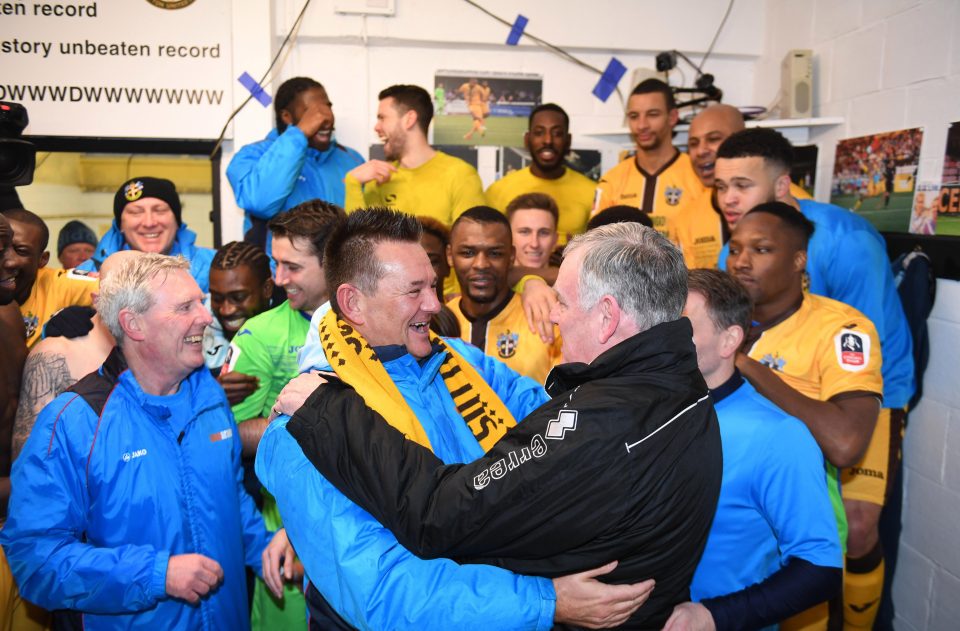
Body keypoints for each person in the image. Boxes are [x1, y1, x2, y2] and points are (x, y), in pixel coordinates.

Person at [258, 208, 656, 630]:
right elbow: (383, 593)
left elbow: (558, 423)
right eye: (414, 291)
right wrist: (544, 601)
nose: (434, 304)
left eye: (433, 285)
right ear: (353, 302)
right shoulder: (305, 428)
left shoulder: (456, 359)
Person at [1, 253, 287, 630]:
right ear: (133, 324)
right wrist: (155, 574)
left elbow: (228, 499)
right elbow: (35, 560)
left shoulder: (210, 399)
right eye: (185, 307)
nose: (205, 317)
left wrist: (266, 546)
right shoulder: (75, 421)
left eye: (200, 302)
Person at [714, 129, 914, 629]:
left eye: (742, 184)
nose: (729, 199)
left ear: (781, 186)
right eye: (721, 188)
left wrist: (748, 364)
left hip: (862, 391)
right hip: (781, 428)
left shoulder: (846, 242)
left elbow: (858, 352)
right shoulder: (733, 266)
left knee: (856, 529)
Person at [728, 203, 885, 629]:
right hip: (731, 519)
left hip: (798, 519)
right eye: (735, 247)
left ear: (799, 260)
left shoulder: (842, 329)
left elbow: (846, 443)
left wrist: (745, 365)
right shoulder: (713, 319)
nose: (741, 260)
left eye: (760, 250)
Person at [663, 269, 842, 631]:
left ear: (730, 341)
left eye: (681, 328)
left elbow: (820, 568)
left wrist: (714, 615)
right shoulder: (648, 409)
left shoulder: (778, 437)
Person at [227, 200, 344, 631]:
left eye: (292, 266)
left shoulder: (373, 322)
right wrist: (305, 427)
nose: (278, 279)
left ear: (333, 261)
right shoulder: (261, 333)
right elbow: (224, 435)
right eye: (276, 264)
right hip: (286, 534)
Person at [11, 251, 139, 464]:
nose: (134, 306)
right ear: (98, 299)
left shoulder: (165, 351)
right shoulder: (54, 355)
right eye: (124, 296)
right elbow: (32, 463)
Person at [226, 77, 363, 256]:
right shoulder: (252, 156)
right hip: (280, 278)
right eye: (312, 112)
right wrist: (299, 135)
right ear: (287, 117)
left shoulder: (352, 159)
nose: (326, 118)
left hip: (339, 278)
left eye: (327, 107)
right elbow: (260, 202)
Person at [447, 206, 562, 383]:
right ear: (450, 255)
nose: (481, 264)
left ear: (511, 256)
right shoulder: (436, 323)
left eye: (495, 253)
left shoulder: (546, 319)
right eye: (468, 253)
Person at [344, 84, 487, 226]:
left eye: (382, 118)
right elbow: (360, 243)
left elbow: (470, 241)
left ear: (409, 119)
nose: (376, 127)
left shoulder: (460, 175)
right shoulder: (379, 178)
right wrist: (352, 183)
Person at [593, 79, 705, 248]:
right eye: (634, 116)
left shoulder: (698, 174)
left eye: (653, 114)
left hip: (688, 274)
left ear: (672, 117)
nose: (642, 125)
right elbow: (595, 245)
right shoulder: (612, 180)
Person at [77, 176, 215, 292]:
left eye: (159, 210)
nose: (149, 223)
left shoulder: (213, 266)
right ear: (120, 225)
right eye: (136, 212)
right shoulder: (88, 275)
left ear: (177, 221)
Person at [486, 104, 596, 243]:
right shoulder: (498, 190)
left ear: (568, 141)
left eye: (557, 134)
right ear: (527, 139)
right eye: (539, 133)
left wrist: (572, 254)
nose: (548, 140)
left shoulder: (592, 191)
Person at [3, 208, 97, 347]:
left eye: (21, 251)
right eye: (0, 248)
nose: (8, 261)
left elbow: (128, 291)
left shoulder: (58, 283)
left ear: (43, 259)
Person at [205, 241, 274, 400]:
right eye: (217, 298)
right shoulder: (198, 323)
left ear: (267, 289)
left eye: (238, 297)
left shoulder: (292, 321)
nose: (226, 310)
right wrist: (212, 393)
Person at [507, 192, 560, 276]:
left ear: (555, 240)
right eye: (524, 232)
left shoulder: (577, 284)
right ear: (508, 238)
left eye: (543, 233)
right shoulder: (491, 284)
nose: (534, 244)